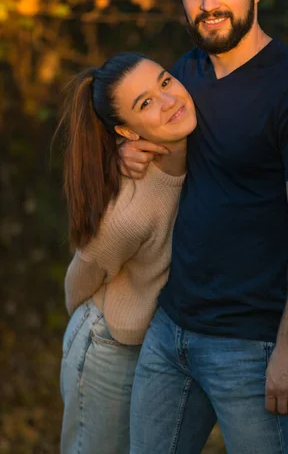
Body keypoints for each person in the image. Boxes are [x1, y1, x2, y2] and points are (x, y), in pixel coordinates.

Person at [122, 0, 288, 454]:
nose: (209, 5)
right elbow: (167, 173)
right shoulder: (183, 77)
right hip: (168, 331)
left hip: (249, 347)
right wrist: (129, 151)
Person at [56, 52, 214, 454]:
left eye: (164, 82)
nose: (168, 101)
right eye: (145, 103)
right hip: (109, 344)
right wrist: (96, 318)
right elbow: (80, 281)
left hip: (164, 344)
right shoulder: (129, 210)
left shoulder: (206, 144)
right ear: (125, 131)